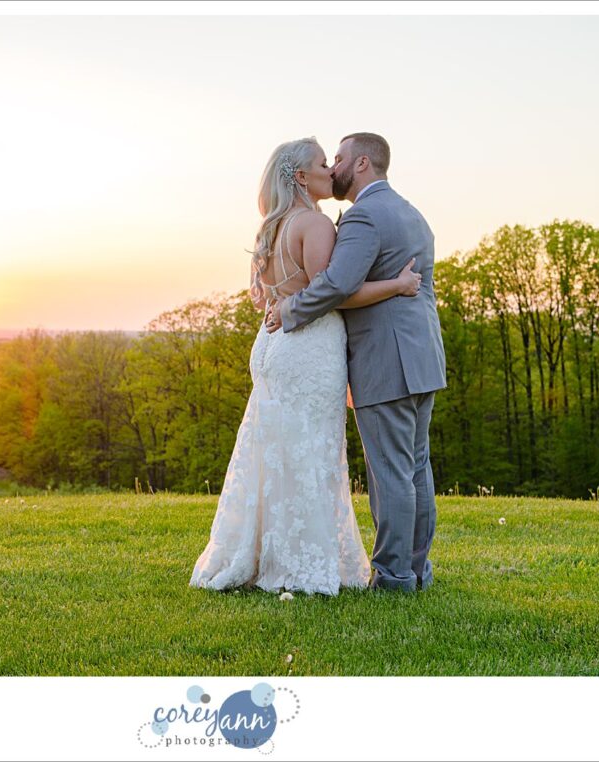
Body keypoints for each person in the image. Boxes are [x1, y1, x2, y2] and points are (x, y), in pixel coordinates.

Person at [189, 136, 423, 595]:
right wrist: (396, 284)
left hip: (271, 345)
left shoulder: (271, 229)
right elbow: (335, 291)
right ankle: (301, 565)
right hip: (309, 347)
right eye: (322, 163)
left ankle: (256, 556)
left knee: (273, 454)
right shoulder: (314, 226)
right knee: (311, 456)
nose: (330, 171)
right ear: (301, 177)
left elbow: (269, 296)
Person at [265, 132, 447, 593]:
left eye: (340, 159)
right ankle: (418, 571)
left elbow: (336, 286)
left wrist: (288, 311)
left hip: (387, 361)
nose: (334, 168)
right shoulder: (412, 212)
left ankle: (393, 577)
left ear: (362, 163)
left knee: (390, 474)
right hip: (423, 357)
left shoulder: (365, 216)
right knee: (415, 468)